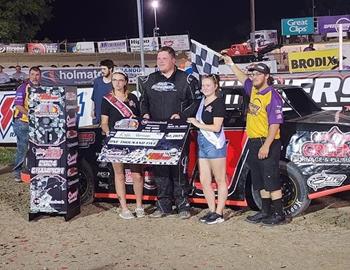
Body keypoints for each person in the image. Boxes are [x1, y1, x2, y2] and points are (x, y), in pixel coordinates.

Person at [222, 53, 286, 226]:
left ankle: (279, 214)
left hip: (268, 142)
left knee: (271, 179)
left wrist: (266, 146)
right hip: (254, 141)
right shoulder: (254, 90)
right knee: (259, 180)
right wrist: (231, 64)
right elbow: (243, 79)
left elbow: (275, 124)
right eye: (253, 74)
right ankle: (265, 211)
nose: (254, 77)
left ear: (266, 76)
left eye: (258, 74)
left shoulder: (272, 95)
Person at [139, 46, 200, 219]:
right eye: (158, 59)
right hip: (157, 133)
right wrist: (144, 113)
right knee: (160, 170)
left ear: (173, 60)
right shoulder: (150, 80)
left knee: (179, 169)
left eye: (164, 58)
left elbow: (196, 102)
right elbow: (143, 100)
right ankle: (163, 206)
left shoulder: (186, 79)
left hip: (179, 133)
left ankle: (183, 206)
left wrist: (181, 115)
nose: (160, 61)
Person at [100, 71, 144, 219]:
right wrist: (108, 134)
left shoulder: (132, 98)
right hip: (116, 141)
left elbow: (139, 119)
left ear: (125, 82)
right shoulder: (107, 100)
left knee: (137, 174)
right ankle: (124, 208)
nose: (117, 83)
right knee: (119, 175)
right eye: (114, 80)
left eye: (120, 80)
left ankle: (139, 206)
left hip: (132, 140)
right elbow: (104, 123)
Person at [187, 74, 227, 225]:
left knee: (220, 179)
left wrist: (197, 124)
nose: (205, 88)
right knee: (204, 179)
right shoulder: (202, 101)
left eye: (208, 85)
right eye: (203, 85)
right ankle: (212, 210)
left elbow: (216, 127)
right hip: (202, 142)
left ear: (215, 86)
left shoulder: (218, 103)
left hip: (214, 143)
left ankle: (219, 212)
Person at [12, 66, 41, 182]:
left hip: (37, 123)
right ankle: (17, 172)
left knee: (37, 147)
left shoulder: (42, 88)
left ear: (40, 76)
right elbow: (18, 106)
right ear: (29, 75)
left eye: (37, 74)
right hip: (22, 122)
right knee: (23, 148)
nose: (35, 77)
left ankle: (34, 170)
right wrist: (31, 115)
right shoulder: (23, 87)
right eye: (32, 74)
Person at [91, 59, 114, 125]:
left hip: (110, 116)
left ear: (110, 69)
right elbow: (93, 97)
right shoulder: (97, 81)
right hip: (97, 115)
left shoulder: (115, 82)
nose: (102, 71)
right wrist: (92, 110)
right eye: (101, 69)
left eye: (104, 69)